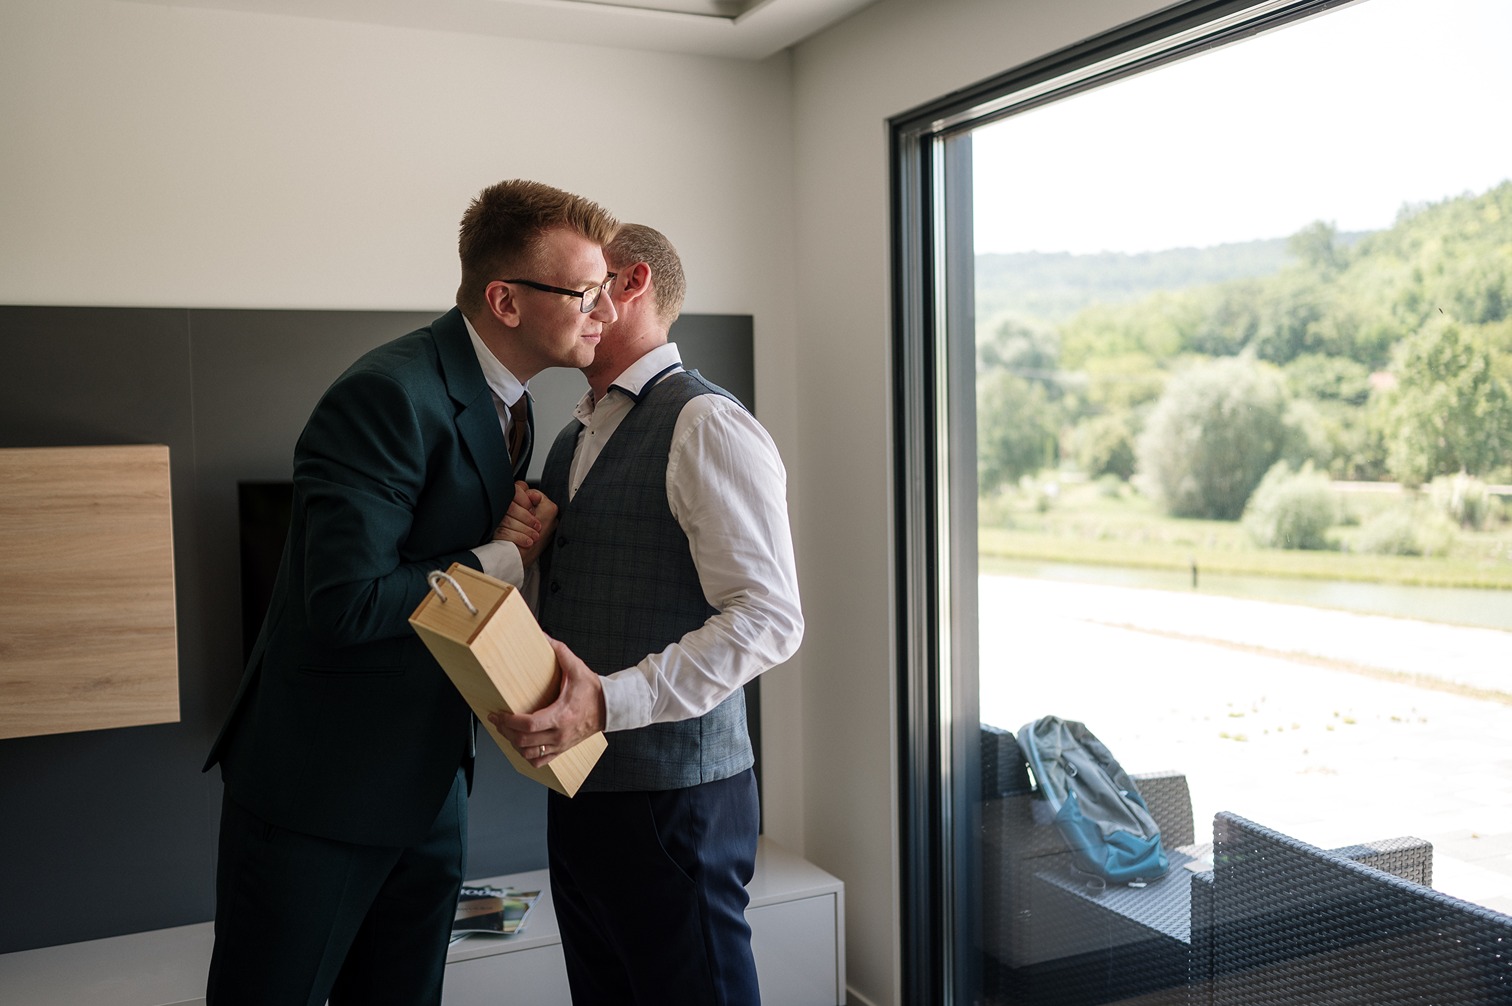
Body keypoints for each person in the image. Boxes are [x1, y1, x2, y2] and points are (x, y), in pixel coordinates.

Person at [201, 179, 618, 1006]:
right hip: (319, 790)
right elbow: (347, 602)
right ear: (505, 301)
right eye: (584, 292)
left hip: (430, 783)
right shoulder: (386, 396)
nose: (603, 310)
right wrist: (501, 557)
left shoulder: (515, 406)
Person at [490, 223, 804, 1005]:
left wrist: (606, 701)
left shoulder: (707, 423)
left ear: (630, 284)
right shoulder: (570, 439)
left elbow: (768, 618)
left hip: (678, 805)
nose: (564, 302)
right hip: (581, 794)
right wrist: (526, 557)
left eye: (582, 282)